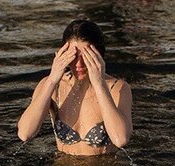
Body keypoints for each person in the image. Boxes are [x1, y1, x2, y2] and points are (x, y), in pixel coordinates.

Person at [17, 19, 132, 156]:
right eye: (73, 56)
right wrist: (52, 80)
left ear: (99, 55)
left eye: (86, 57)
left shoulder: (117, 88)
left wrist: (99, 83)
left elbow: (121, 139)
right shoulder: (52, 86)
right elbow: (25, 134)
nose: (78, 64)